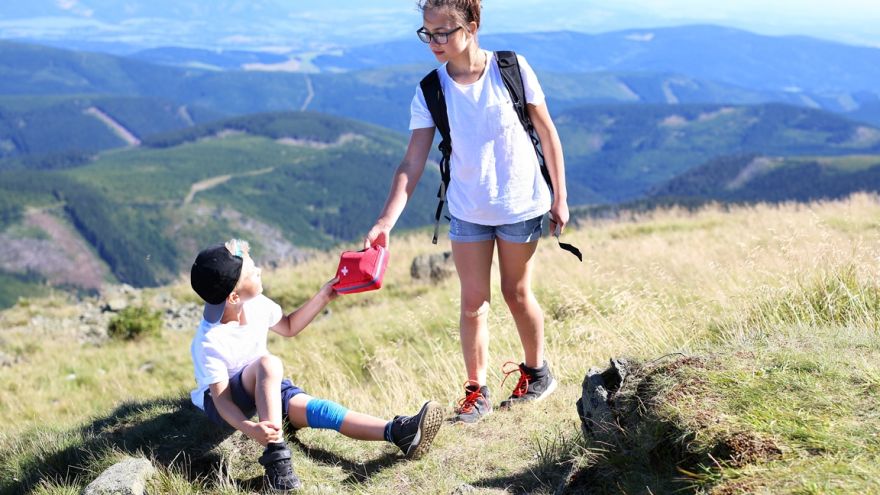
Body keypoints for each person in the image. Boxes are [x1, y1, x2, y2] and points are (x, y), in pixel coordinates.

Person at [363, 0, 569, 423]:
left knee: (516, 293)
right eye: (427, 33)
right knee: (473, 302)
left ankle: (537, 373)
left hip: (521, 203)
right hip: (467, 208)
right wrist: (386, 221)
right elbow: (412, 162)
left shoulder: (511, 68)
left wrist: (560, 196)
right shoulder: (430, 89)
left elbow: (547, 132)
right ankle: (476, 392)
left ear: (472, 26)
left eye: (444, 32)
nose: (435, 42)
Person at [189, 239, 443, 491]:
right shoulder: (209, 341)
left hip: (263, 389)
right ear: (234, 296)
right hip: (225, 402)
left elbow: (288, 326)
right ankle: (277, 460)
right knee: (268, 364)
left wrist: (324, 296)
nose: (260, 271)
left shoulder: (257, 304)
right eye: (252, 272)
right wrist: (250, 428)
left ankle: (398, 433)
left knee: (319, 410)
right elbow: (222, 401)